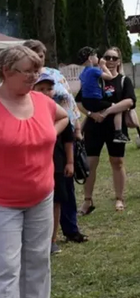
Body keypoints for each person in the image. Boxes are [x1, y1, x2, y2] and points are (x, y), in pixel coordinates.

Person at [0, 45, 69, 298]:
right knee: (7, 271)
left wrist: (50, 133)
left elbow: (65, 116)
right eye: (27, 72)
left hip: (41, 198)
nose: (33, 78)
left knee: (38, 265)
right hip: (4, 203)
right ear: (6, 72)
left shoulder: (42, 102)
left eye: (36, 71)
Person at [22, 39, 88, 244]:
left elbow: (69, 100)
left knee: (65, 188)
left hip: (63, 134)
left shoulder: (55, 75)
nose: (38, 59)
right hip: (38, 135)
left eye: (40, 56)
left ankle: (71, 229)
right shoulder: (25, 78)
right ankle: (44, 237)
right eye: (33, 55)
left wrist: (76, 127)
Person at [77, 47, 136, 214]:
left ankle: (119, 198)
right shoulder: (95, 77)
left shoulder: (123, 81)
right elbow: (80, 101)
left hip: (115, 128)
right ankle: (87, 201)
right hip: (94, 127)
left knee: (117, 162)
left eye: (113, 58)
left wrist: (107, 111)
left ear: (118, 61)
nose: (110, 60)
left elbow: (129, 102)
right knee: (90, 163)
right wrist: (91, 114)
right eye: (107, 57)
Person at [33, 73, 76, 255]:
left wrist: (70, 162)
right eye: (40, 89)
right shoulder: (28, 110)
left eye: (49, 89)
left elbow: (68, 140)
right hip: (35, 165)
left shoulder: (58, 112)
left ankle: (52, 239)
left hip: (57, 164)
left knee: (56, 201)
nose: (45, 92)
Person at [77, 46, 129, 144]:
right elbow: (109, 77)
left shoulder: (83, 73)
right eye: (96, 56)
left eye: (114, 58)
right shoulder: (94, 70)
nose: (98, 58)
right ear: (90, 58)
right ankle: (118, 132)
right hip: (95, 100)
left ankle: (80, 131)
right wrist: (103, 66)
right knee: (117, 107)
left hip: (87, 101)